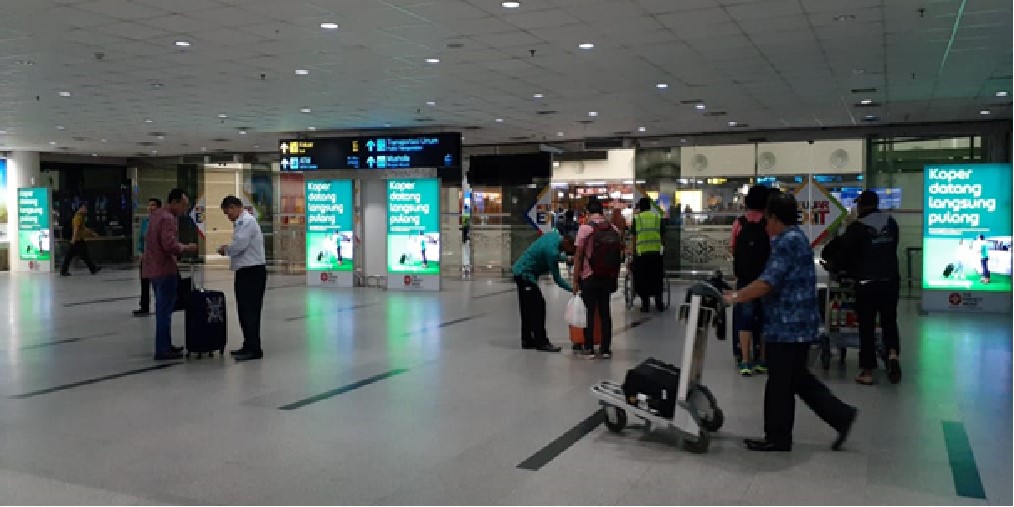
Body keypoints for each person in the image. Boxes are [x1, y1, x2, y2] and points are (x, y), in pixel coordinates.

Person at [723, 191, 857, 452]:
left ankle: (778, 437)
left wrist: (736, 297)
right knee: (797, 379)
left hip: (788, 326)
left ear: (774, 217)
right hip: (798, 323)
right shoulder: (796, 237)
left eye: (767, 220)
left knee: (780, 384)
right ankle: (841, 416)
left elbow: (767, 283)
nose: (766, 226)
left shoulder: (786, 242)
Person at [836, 190, 901, 385]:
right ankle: (892, 355)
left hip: (867, 282)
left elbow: (844, 252)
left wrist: (837, 267)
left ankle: (867, 371)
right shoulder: (891, 224)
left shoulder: (857, 227)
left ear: (862, 205)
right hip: (890, 279)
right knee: (889, 320)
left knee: (867, 325)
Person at [143, 188, 198, 361]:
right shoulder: (168, 218)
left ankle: (165, 344)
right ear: (174, 202)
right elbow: (169, 245)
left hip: (153, 269)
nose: (184, 209)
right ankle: (163, 349)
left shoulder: (155, 216)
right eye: (183, 205)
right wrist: (187, 248)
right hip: (165, 270)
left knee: (162, 309)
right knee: (164, 312)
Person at [217, 196, 267, 362]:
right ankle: (248, 344)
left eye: (228, 213)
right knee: (244, 310)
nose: (228, 217)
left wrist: (226, 250)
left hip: (252, 272)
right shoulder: (241, 222)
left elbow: (240, 245)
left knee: (250, 311)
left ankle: (254, 348)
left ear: (234, 207)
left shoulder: (247, 222)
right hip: (245, 271)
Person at [573, 198, 623, 359]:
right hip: (607, 276)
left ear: (588, 212)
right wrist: (615, 277)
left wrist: (575, 280)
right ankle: (605, 348)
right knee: (605, 311)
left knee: (589, 312)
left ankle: (589, 347)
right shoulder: (613, 229)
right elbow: (617, 256)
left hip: (589, 276)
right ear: (602, 212)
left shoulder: (585, 229)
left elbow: (578, 256)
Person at [511, 230, 576, 352]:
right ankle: (541, 342)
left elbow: (548, 253)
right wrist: (573, 289)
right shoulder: (552, 253)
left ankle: (527, 340)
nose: (573, 250)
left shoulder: (554, 236)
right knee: (538, 307)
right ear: (567, 242)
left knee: (527, 309)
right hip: (526, 275)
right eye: (573, 247)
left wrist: (566, 259)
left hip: (519, 271)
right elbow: (557, 279)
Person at [730, 186, 770, 376]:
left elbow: (733, 247)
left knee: (744, 318)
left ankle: (745, 360)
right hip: (765, 278)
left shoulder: (739, 223)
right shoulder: (769, 223)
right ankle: (762, 358)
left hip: (744, 278)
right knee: (764, 317)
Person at [630, 197, 666, 312]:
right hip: (656, 253)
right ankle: (659, 302)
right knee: (657, 277)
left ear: (640, 207)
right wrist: (662, 247)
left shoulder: (637, 219)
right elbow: (663, 236)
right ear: (650, 207)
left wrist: (633, 252)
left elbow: (634, 238)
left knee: (643, 279)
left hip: (642, 254)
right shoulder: (657, 217)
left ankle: (645, 304)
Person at [133, 198, 161, 317]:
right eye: (149, 205)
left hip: (156, 257)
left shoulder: (161, 221)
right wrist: (140, 252)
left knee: (157, 282)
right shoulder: (145, 221)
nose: (150, 207)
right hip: (146, 256)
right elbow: (141, 238)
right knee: (144, 282)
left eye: (153, 205)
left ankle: (160, 305)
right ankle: (144, 306)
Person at [60, 203, 101, 276]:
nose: (86, 210)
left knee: (83, 255)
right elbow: (76, 229)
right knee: (72, 256)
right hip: (77, 240)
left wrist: (93, 233)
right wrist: (73, 239)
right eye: (84, 208)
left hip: (78, 240)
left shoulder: (80, 216)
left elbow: (83, 228)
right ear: (80, 208)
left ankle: (93, 268)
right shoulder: (78, 217)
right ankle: (93, 268)